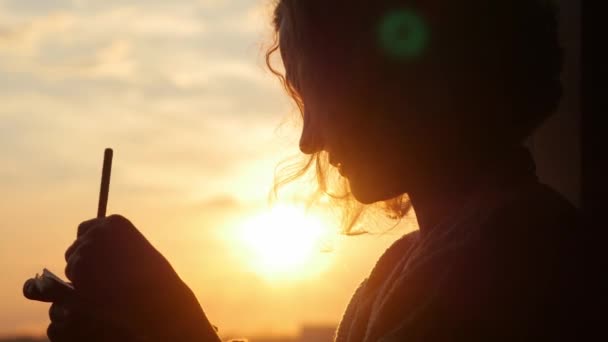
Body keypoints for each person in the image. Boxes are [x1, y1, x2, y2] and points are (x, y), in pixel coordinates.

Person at [24, 0, 588, 341]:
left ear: (408, 84)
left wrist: (169, 322)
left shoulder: (510, 255)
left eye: (321, 97)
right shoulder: (411, 260)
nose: (309, 137)